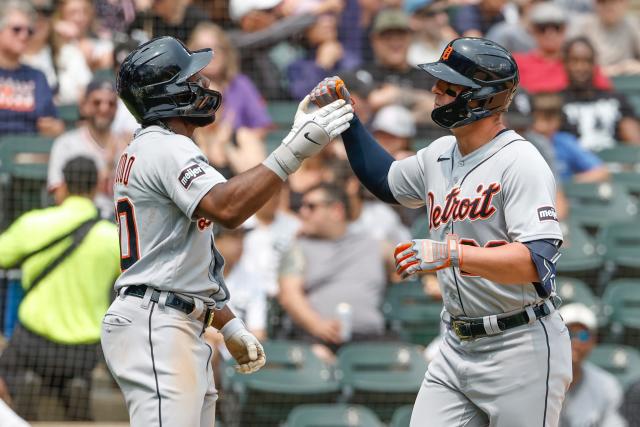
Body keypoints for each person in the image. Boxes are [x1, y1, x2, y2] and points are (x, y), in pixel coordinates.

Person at [311, 37, 571, 426]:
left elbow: (536, 263)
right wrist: (348, 119)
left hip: (520, 345)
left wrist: (453, 254)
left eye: (449, 86)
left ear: (482, 98)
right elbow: (385, 179)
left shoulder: (521, 161)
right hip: (455, 343)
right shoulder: (440, 153)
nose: (435, 90)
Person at [101, 35, 353, 426]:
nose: (203, 85)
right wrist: (293, 149)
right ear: (166, 92)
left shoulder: (152, 147)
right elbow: (228, 208)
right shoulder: (166, 146)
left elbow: (179, 259)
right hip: (158, 321)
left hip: (171, 318)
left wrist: (229, 323)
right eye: (191, 78)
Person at [0, 156, 120, 421]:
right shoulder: (111, 236)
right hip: (84, 352)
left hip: (33, 345)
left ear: (62, 185)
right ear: (97, 187)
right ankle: (76, 387)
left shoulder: (33, 223)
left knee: (9, 364)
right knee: (75, 374)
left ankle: (24, 383)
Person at [278, 183, 389, 357]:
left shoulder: (372, 243)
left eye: (311, 207)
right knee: (318, 356)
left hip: (371, 338)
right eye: (302, 206)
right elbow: (289, 295)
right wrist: (317, 325)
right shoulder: (298, 248)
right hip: (317, 340)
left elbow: (409, 260)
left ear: (336, 210)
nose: (302, 212)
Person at [47, 77, 127, 218]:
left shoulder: (128, 146)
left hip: (118, 224)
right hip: (79, 222)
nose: (104, 108)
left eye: (111, 103)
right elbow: (59, 198)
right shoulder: (66, 144)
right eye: (97, 103)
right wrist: (106, 169)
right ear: (83, 106)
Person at [560, 36, 640, 151]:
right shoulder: (557, 102)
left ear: (594, 64)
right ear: (565, 64)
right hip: (577, 166)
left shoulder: (615, 99)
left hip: (615, 163)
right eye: (574, 61)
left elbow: (635, 142)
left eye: (587, 61)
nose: (580, 67)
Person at [513, 1, 611, 94]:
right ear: (532, 30)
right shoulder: (519, 63)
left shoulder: (580, 61)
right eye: (542, 28)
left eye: (557, 27)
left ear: (565, 29)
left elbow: (607, 92)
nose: (550, 33)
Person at [558, 303, 627, 427]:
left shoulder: (607, 386)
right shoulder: (537, 382)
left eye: (583, 336)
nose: (576, 341)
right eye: (568, 333)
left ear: (593, 341)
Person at [0, 0, 63, 136]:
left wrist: (54, 128)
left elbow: (54, 123)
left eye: (29, 31)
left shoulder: (37, 77)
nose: (24, 36)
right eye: (16, 30)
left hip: (28, 152)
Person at [530, 92, 610, 183]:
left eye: (549, 119)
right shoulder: (521, 143)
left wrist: (564, 184)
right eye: (536, 120)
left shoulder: (564, 142)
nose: (541, 126)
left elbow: (601, 172)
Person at [567, 0, 640, 76]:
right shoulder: (583, 26)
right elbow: (572, 65)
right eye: (602, 2)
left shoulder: (632, 25)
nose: (608, 6)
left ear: (625, 3)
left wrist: (632, 66)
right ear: (594, 4)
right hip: (592, 83)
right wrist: (617, 69)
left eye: (614, 2)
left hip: (626, 82)